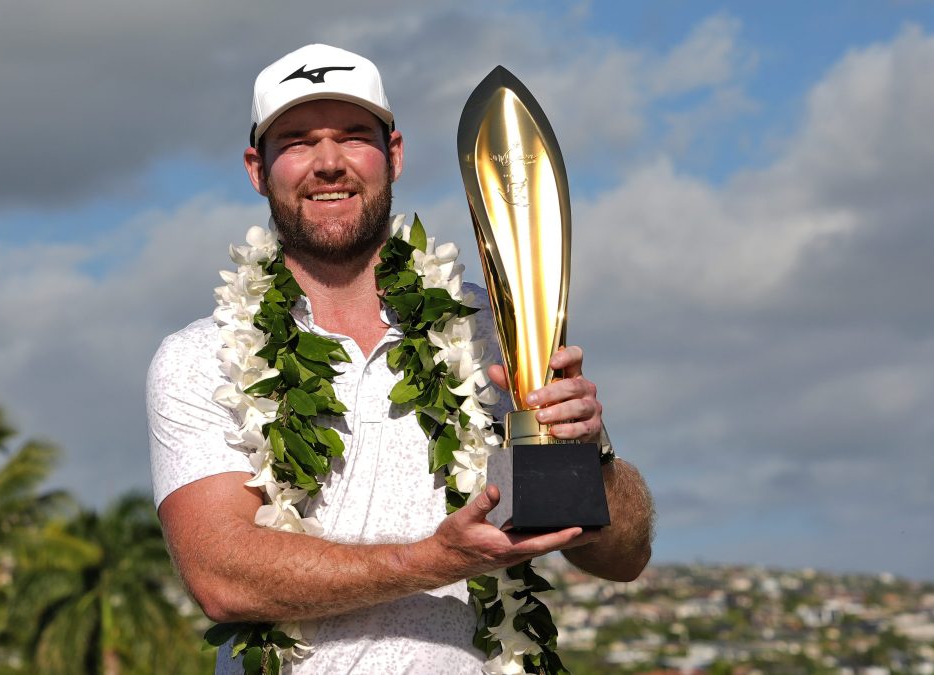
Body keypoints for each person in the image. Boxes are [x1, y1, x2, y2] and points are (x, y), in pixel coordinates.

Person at [148, 43, 653, 673]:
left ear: (394, 155)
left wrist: (588, 451)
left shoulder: (495, 329)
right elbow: (223, 577)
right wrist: (443, 558)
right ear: (258, 168)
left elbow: (623, 558)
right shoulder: (203, 356)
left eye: (354, 136)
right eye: (298, 141)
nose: (328, 163)